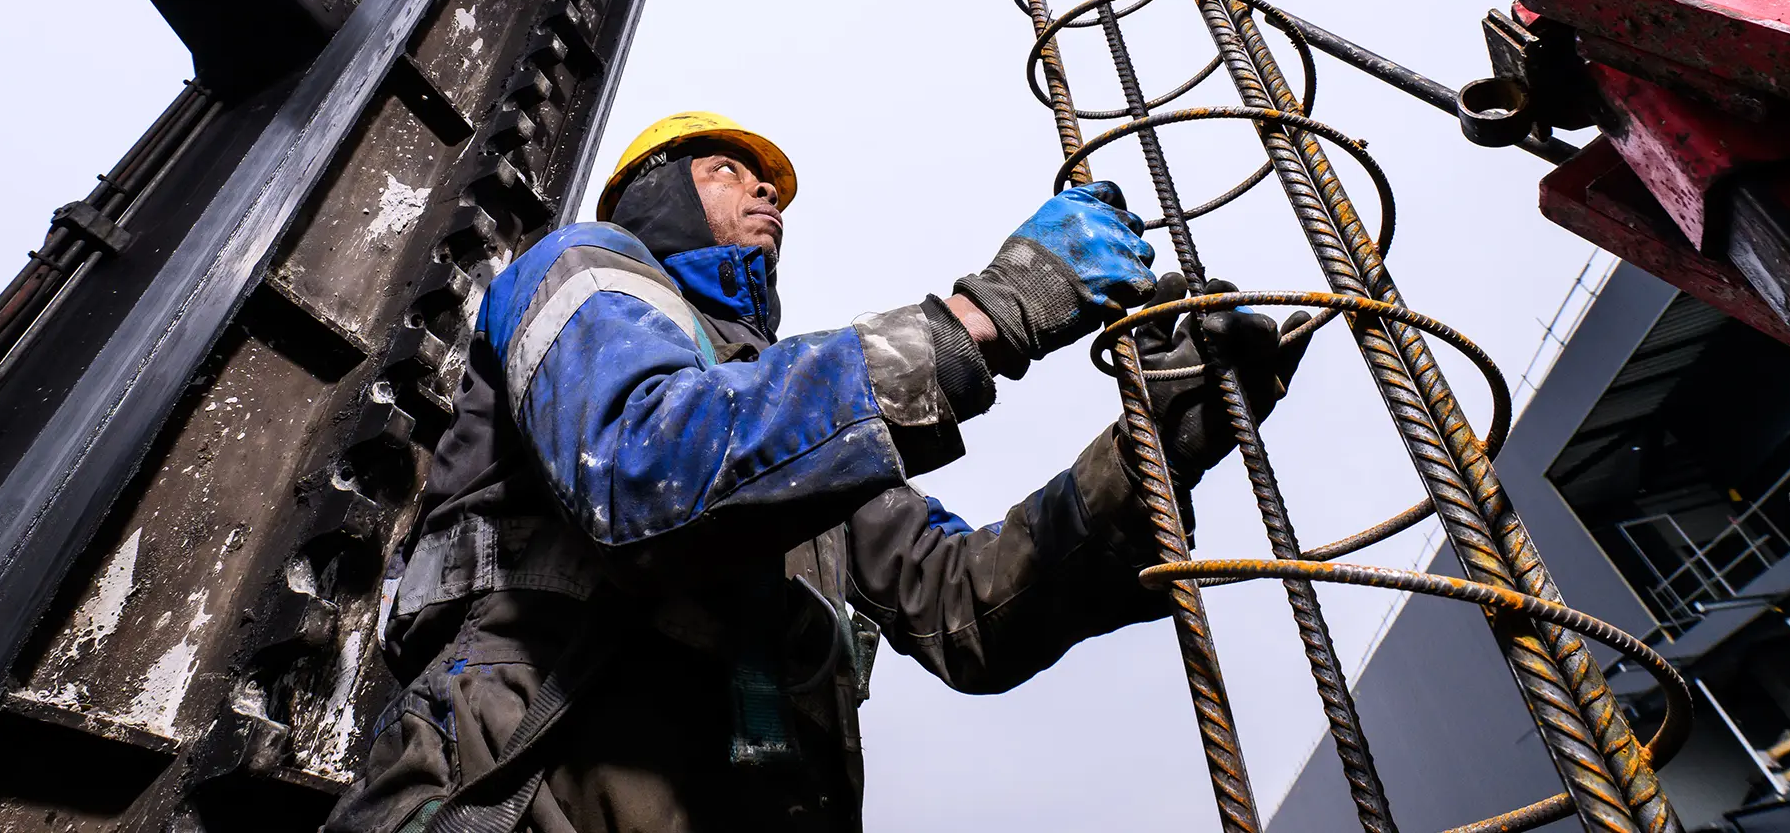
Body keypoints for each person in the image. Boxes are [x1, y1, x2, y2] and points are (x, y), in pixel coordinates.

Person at [327, 111, 1306, 833]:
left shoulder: (800, 434)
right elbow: (635, 463)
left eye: (772, 186)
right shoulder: (581, 271)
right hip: (523, 795)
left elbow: (966, 606)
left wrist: (1162, 441)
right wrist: (978, 319)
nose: (767, 194)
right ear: (653, 190)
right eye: (727, 168)